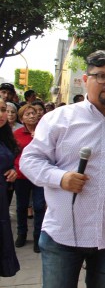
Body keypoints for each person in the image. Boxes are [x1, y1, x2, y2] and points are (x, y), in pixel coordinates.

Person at [20, 50, 105, 288]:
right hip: (63, 235)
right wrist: (60, 178)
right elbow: (29, 160)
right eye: (101, 76)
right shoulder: (59, 119)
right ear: (86, 80)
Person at [13, 104, 45, 253]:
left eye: (33, 113)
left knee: (39, 206)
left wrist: (39, 139)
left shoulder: (44, 132)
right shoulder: (17, 134)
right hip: (21, 176)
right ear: (22, 118)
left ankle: (38, 237)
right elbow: (13, 154)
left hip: (39, 175)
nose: (32, 116)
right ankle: (21, 233)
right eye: (28, 114)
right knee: (21, 206)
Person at [0, 98, 20, 277]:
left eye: (3, 109)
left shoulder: (5, 136)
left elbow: (8, 161)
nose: (1, 114)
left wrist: (12, 170)